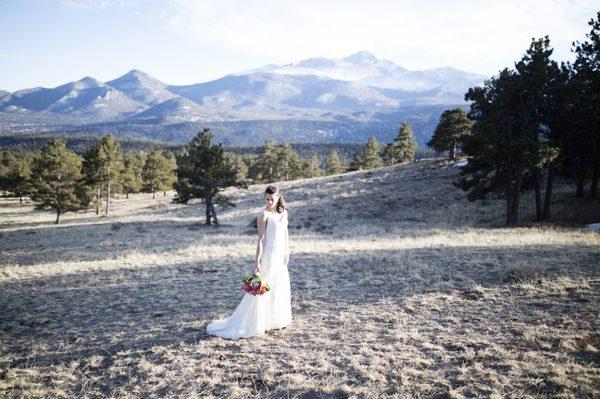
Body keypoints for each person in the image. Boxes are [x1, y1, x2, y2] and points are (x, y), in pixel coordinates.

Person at [206, 185, 292, 339]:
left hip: (280, 256)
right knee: (264, 288)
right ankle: (258, 322)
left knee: (279, 285)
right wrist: (257, 262)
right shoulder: (263, 215)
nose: (269, 202)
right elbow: (261, 240)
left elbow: (285, 233)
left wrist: (287, 251)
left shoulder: (283, 213)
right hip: (269, 255)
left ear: (278, 197)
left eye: (272, 199)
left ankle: (274, 320)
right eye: (267, 199)